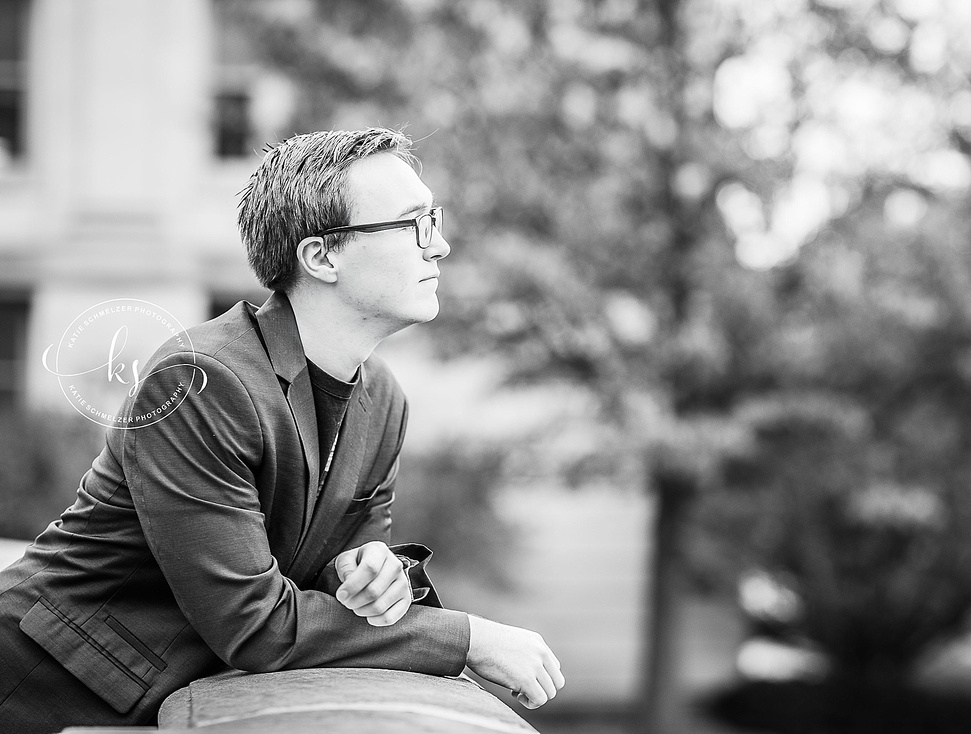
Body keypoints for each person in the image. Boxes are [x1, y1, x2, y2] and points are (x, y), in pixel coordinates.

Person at [0, 128, 564, 732]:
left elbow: (346, 580)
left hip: (167, 702)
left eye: (435, 218)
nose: (441, 246)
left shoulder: (383, 400)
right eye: (413, 224)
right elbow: (256, 625)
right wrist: (468, 638)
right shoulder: (200, 381)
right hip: (38, 691)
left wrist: (376, 576)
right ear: (321, 257)